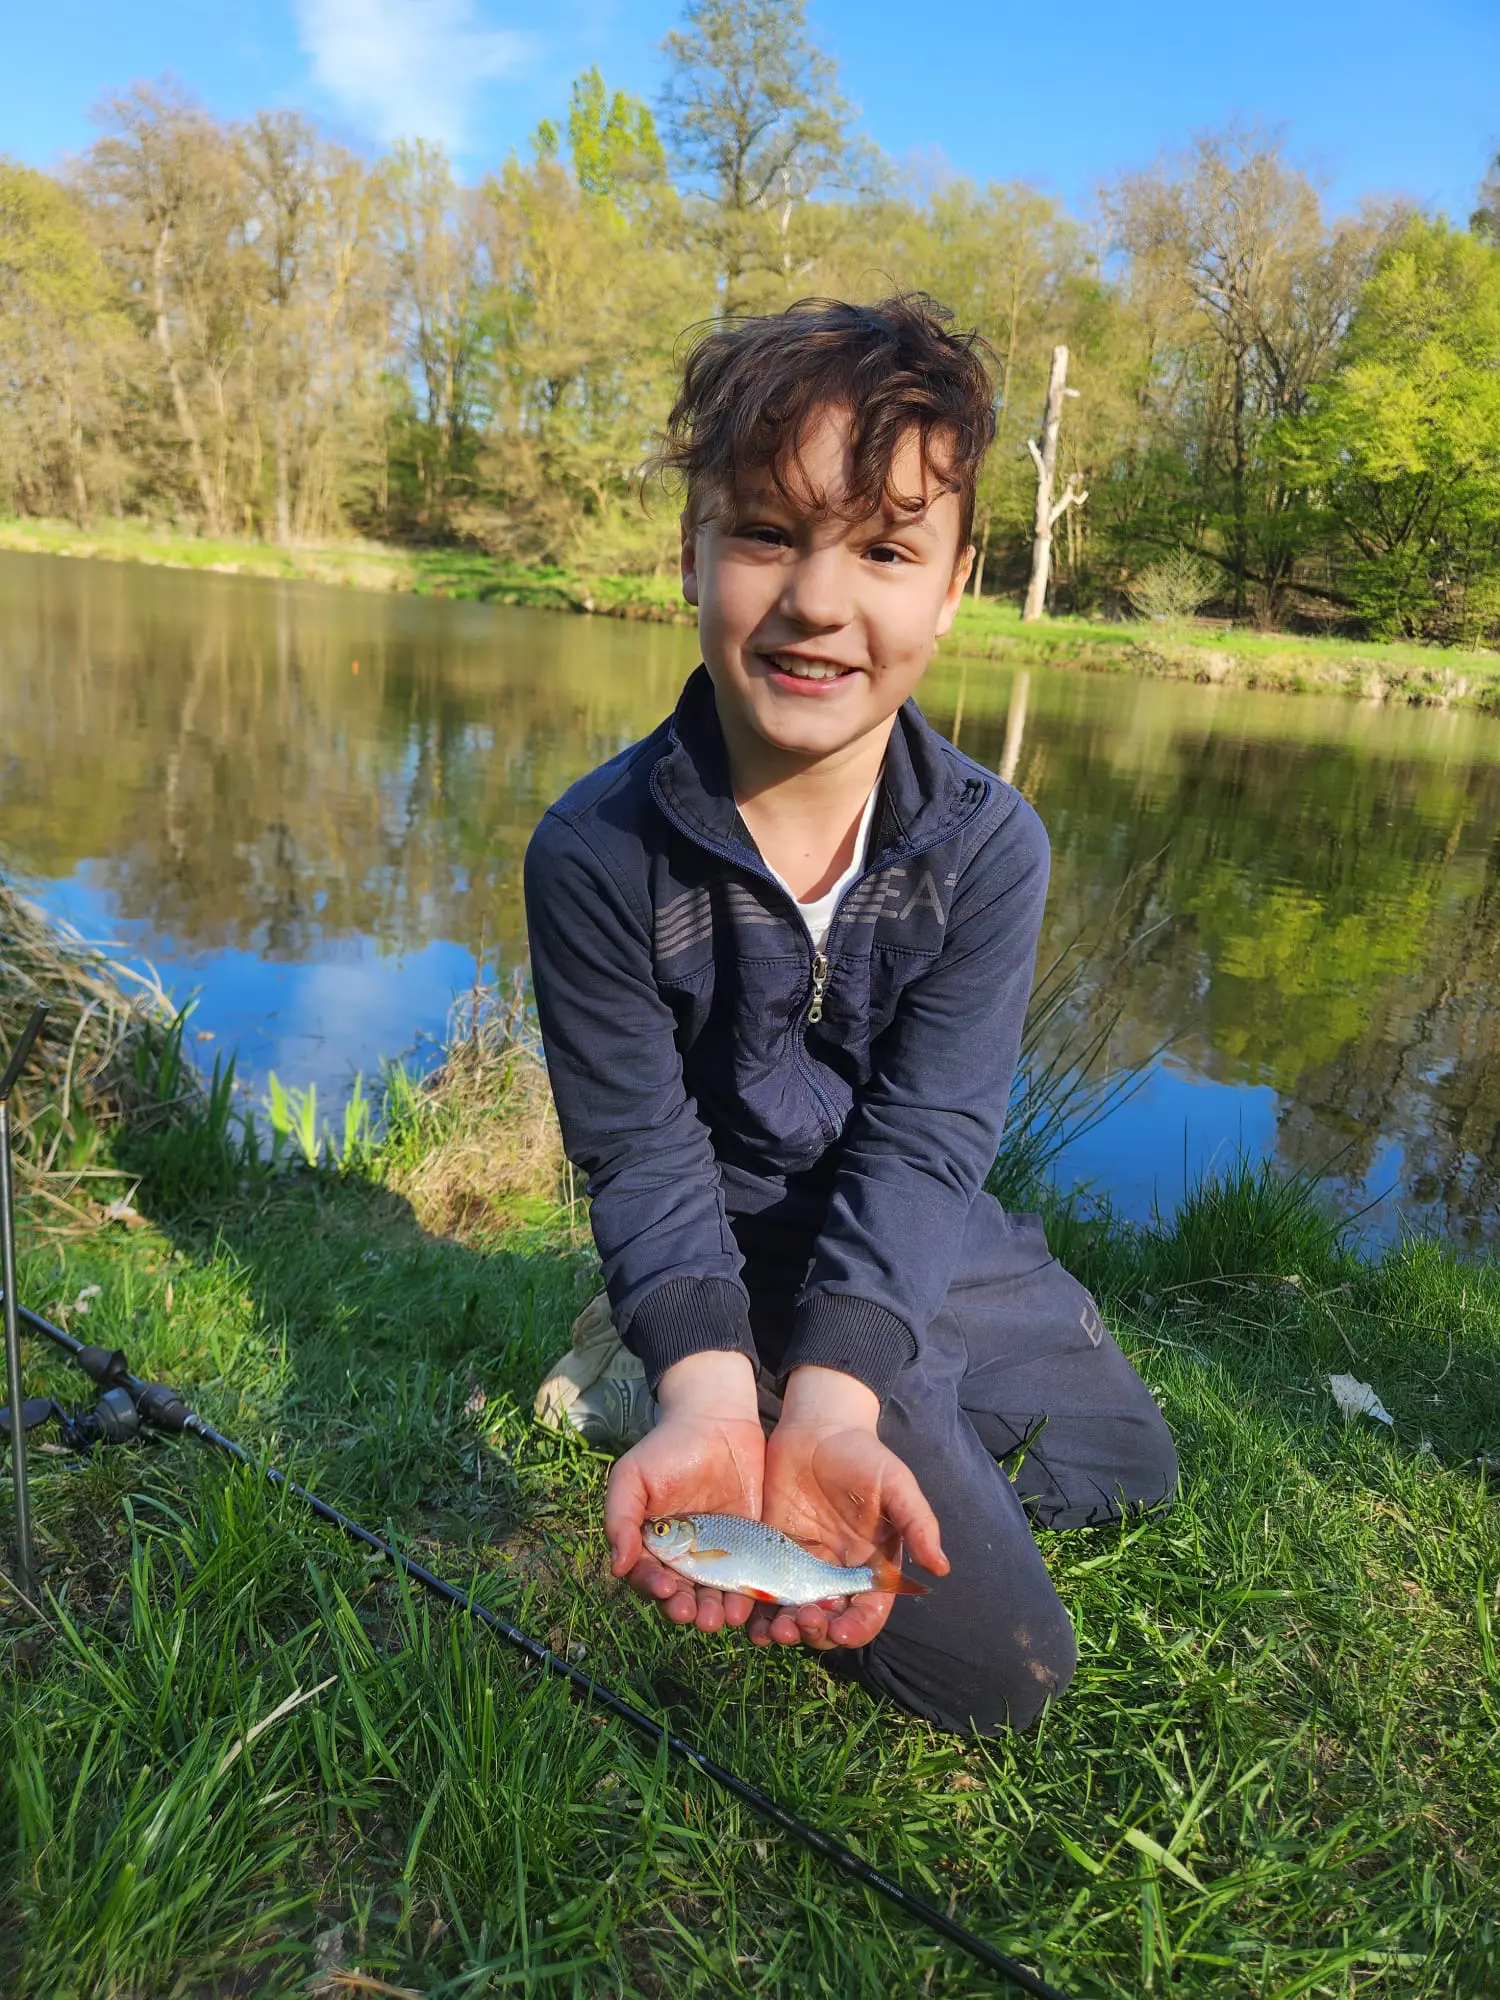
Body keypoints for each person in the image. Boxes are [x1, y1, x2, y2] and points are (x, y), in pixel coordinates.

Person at [524, 295, 1176, 1736]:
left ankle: (849, 1393)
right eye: (766, 533)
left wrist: (844, 1385)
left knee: (1131, 1464)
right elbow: (637, 1155)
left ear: (951, 590)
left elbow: (933, 1140)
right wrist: (734, 1391)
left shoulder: (993, 846)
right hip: (731, 1244)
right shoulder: (592, 853)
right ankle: (686, 1372)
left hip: (913, 1233)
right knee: (1004, 1674)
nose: (820, 600)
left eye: (884, 549)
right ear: (691, 550)